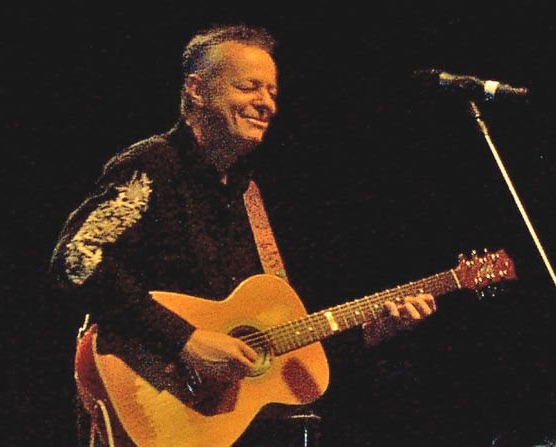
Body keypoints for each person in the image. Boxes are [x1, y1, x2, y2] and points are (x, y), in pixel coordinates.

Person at [50, 24, 436, 445]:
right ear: (197, 90)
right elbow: (76, 258)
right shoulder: (154, 166)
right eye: (249, 87)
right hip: (145, 401)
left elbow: (273, 347)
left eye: (272, 92)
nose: (266, 103)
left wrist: (368, 334)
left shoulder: (248, 195)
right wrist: (186, 340)